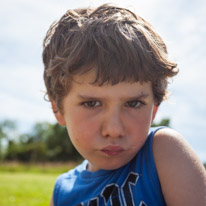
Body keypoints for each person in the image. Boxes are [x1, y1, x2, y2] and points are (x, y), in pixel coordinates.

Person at [42, 4, 206, 206]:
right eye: (92, 103)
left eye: (134, 103)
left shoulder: (163, 153)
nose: (114, 130)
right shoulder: (62, 193)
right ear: (58, 109)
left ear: (154, 109)